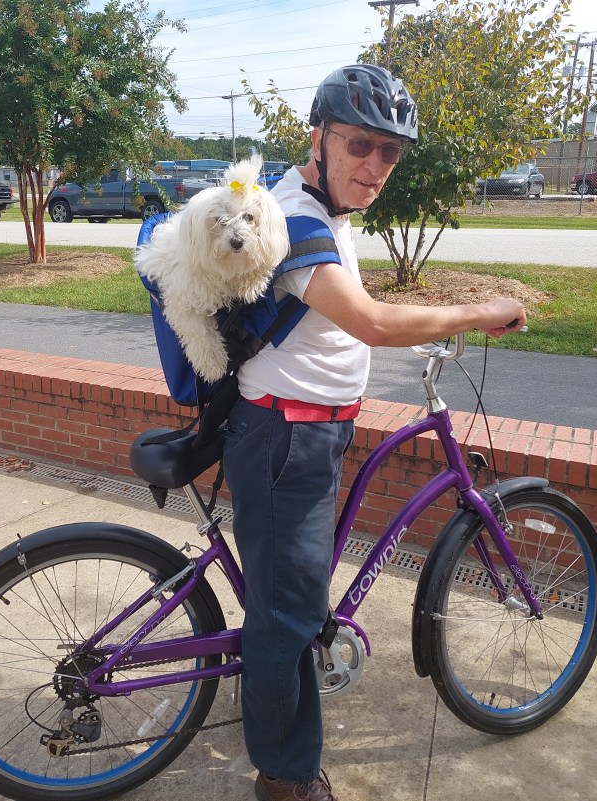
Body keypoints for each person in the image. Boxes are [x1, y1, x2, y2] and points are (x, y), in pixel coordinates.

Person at [222, 64, 526, 801]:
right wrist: (477, 312)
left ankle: (275, 690)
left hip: (303, 438)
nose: (375, 166)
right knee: (285, 617)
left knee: (290, 599)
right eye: (361, 145)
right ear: (320, 137)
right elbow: (370, 320)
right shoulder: (292, 214)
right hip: (284, 442)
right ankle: (284, 777)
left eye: (391, 153)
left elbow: (343, 309)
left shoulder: (323, 209)